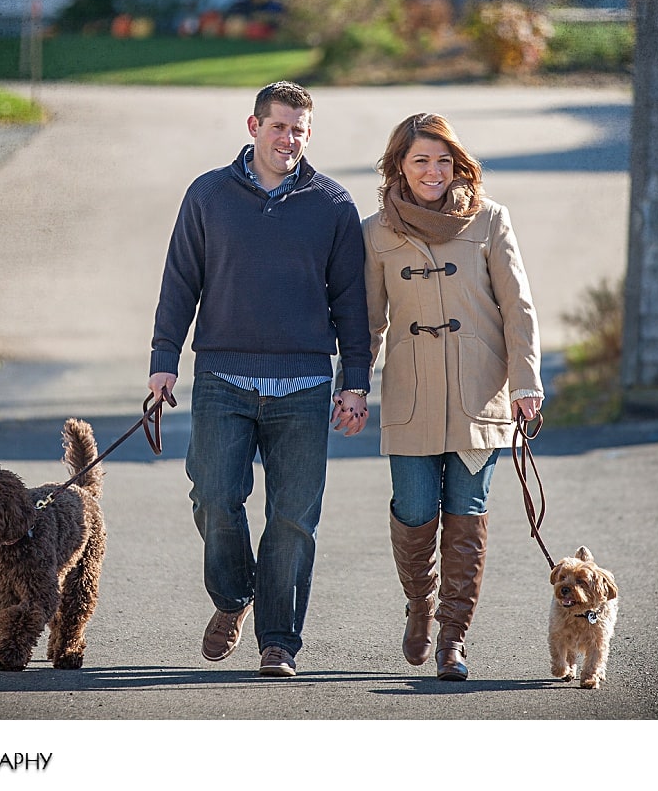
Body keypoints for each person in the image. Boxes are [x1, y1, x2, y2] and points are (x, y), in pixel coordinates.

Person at [149, 81, 371, 678]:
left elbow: (352, 304)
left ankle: (279, 641)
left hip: (302, 385)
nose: (289, 139)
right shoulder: (209, 195)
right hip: (222, 376)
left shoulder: (333, 205)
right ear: (253, 127)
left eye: (300, 129)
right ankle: (232, 597)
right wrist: (163, 359)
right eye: (279, 126)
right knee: (215, 497)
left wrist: (356, 382)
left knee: (294, 519)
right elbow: (180, 281)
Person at [364, 112, 543, 681]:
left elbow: (518, 308)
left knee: (466, 515)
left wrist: (527, 383)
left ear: (458, 162)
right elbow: (368, 322)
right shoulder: (375, 233)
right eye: (420, 160)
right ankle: (419, 604)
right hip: (410, 397)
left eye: (443, 159)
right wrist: (351, 386)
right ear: (399, 165)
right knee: (415, 512)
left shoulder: (490, 220)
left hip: (479, 397)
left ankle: (453, 640)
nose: (433, 171)